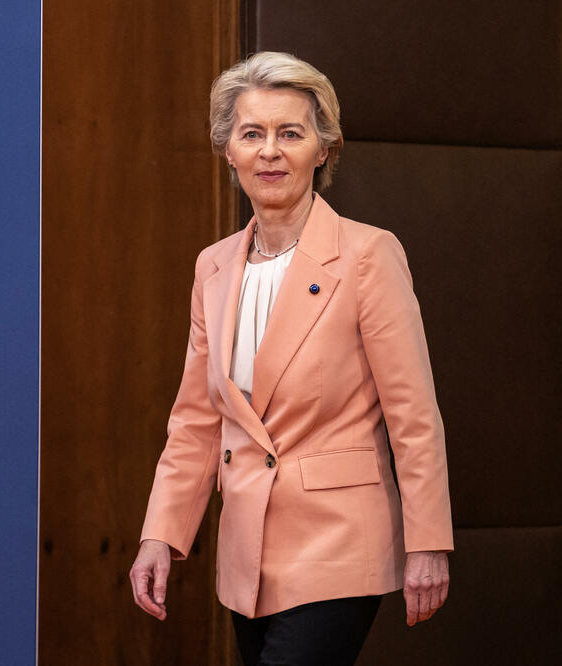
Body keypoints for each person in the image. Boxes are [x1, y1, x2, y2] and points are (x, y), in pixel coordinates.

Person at [128, 51, 453, 665]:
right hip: (246, 554)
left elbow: (413, 414)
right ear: (229, 150)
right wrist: (160, 536)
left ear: (322, 149)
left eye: (291, 134)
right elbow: (196, 420)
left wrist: (428, 541)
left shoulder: (368, 255)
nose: (270, 152)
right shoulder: (213, 267)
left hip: (340, 543)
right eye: (252, 134)